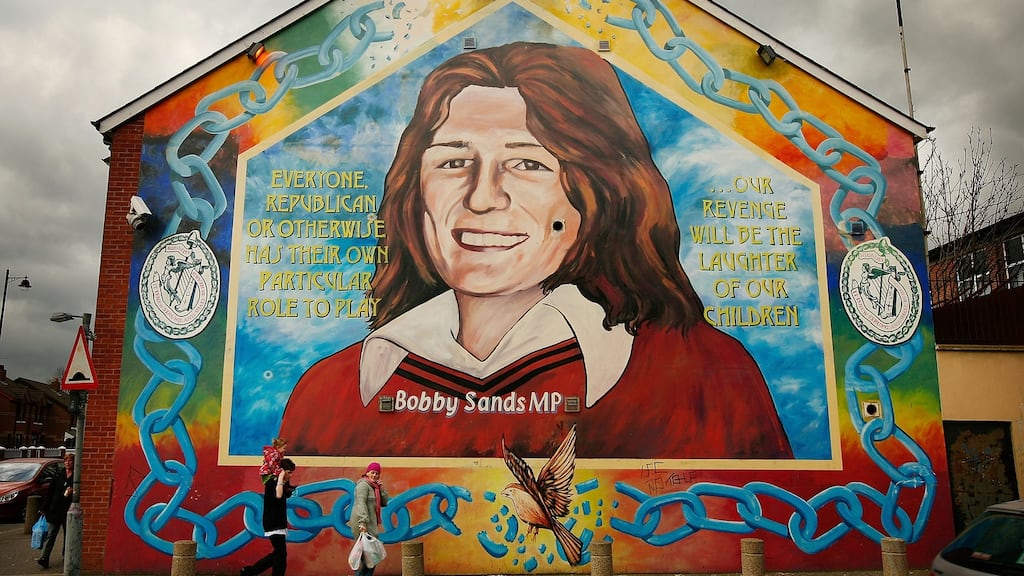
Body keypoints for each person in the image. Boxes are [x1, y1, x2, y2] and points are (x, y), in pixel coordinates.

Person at [281, 42, 792, 460]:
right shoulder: (335, 391)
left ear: (598, 193)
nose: (482, 198)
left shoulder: (700, 376)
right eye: (454, 162)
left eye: (528, 165)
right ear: (415, 193)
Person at [241, 458, 296, 576]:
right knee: (281, 553)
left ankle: (249, 572)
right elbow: (279, 495)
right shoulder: (271, 484)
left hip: (279, 522)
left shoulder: (283, 484)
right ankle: (252, 571)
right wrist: (280, 477)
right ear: (281, 471)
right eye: (289, 472)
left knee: (278, 553)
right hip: (273, 522)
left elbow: (287, 493)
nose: (290, 475)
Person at [349, 462, 388, 576]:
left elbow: (384, 502)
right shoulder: (363, 486)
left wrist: (381, 488)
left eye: (377, 473)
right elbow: (361, 504)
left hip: (370, 524)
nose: (375, 475)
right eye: (373, 472)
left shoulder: (374, 488)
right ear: (367, 473)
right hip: (362, 524)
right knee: (369, 559)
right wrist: (362, 523)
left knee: (370, 559)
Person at [37, 453, 74, 569]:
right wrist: (44, 508)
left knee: (68, 535)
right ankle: (44, 557)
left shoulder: (76, 477)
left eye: (70, 461)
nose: (68, 463)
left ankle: (66, 556)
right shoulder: (58, 475)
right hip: (55, 510)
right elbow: (50, 493)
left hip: (68, 510)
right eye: (66, 461)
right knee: (51, 534)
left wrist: (73, 492)